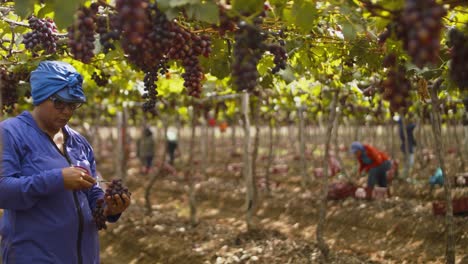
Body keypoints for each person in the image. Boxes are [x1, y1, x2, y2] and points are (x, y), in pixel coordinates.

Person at [0, 61, 131, 264]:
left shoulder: (78, 142)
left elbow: (92, 191)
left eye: (73, 105)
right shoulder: (10, 133)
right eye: (59, 103)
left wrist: (108, 207)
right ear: (40, 97)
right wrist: (57, 179)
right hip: (33, 256)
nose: (67, 111)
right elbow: (3, 191)